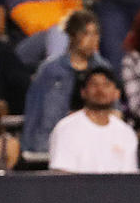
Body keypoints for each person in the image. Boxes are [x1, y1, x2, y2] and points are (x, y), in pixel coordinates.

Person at [21, 9, 109, 153]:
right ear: (72, 35)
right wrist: (29, 149)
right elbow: (34, 111)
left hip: (96, 146)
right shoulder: (49, 71)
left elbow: (114, 110)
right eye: (86, 34)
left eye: (96, 34)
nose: (92, 40)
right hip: (54, 145)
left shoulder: (103, 69)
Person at [48, 65, 139, 172]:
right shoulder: (66, 129)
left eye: (106, 85)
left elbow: (129, 178)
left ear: (117, 93)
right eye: (94, 84)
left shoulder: (126, 133)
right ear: (83, 92)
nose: (100, 90)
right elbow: (61, 177)